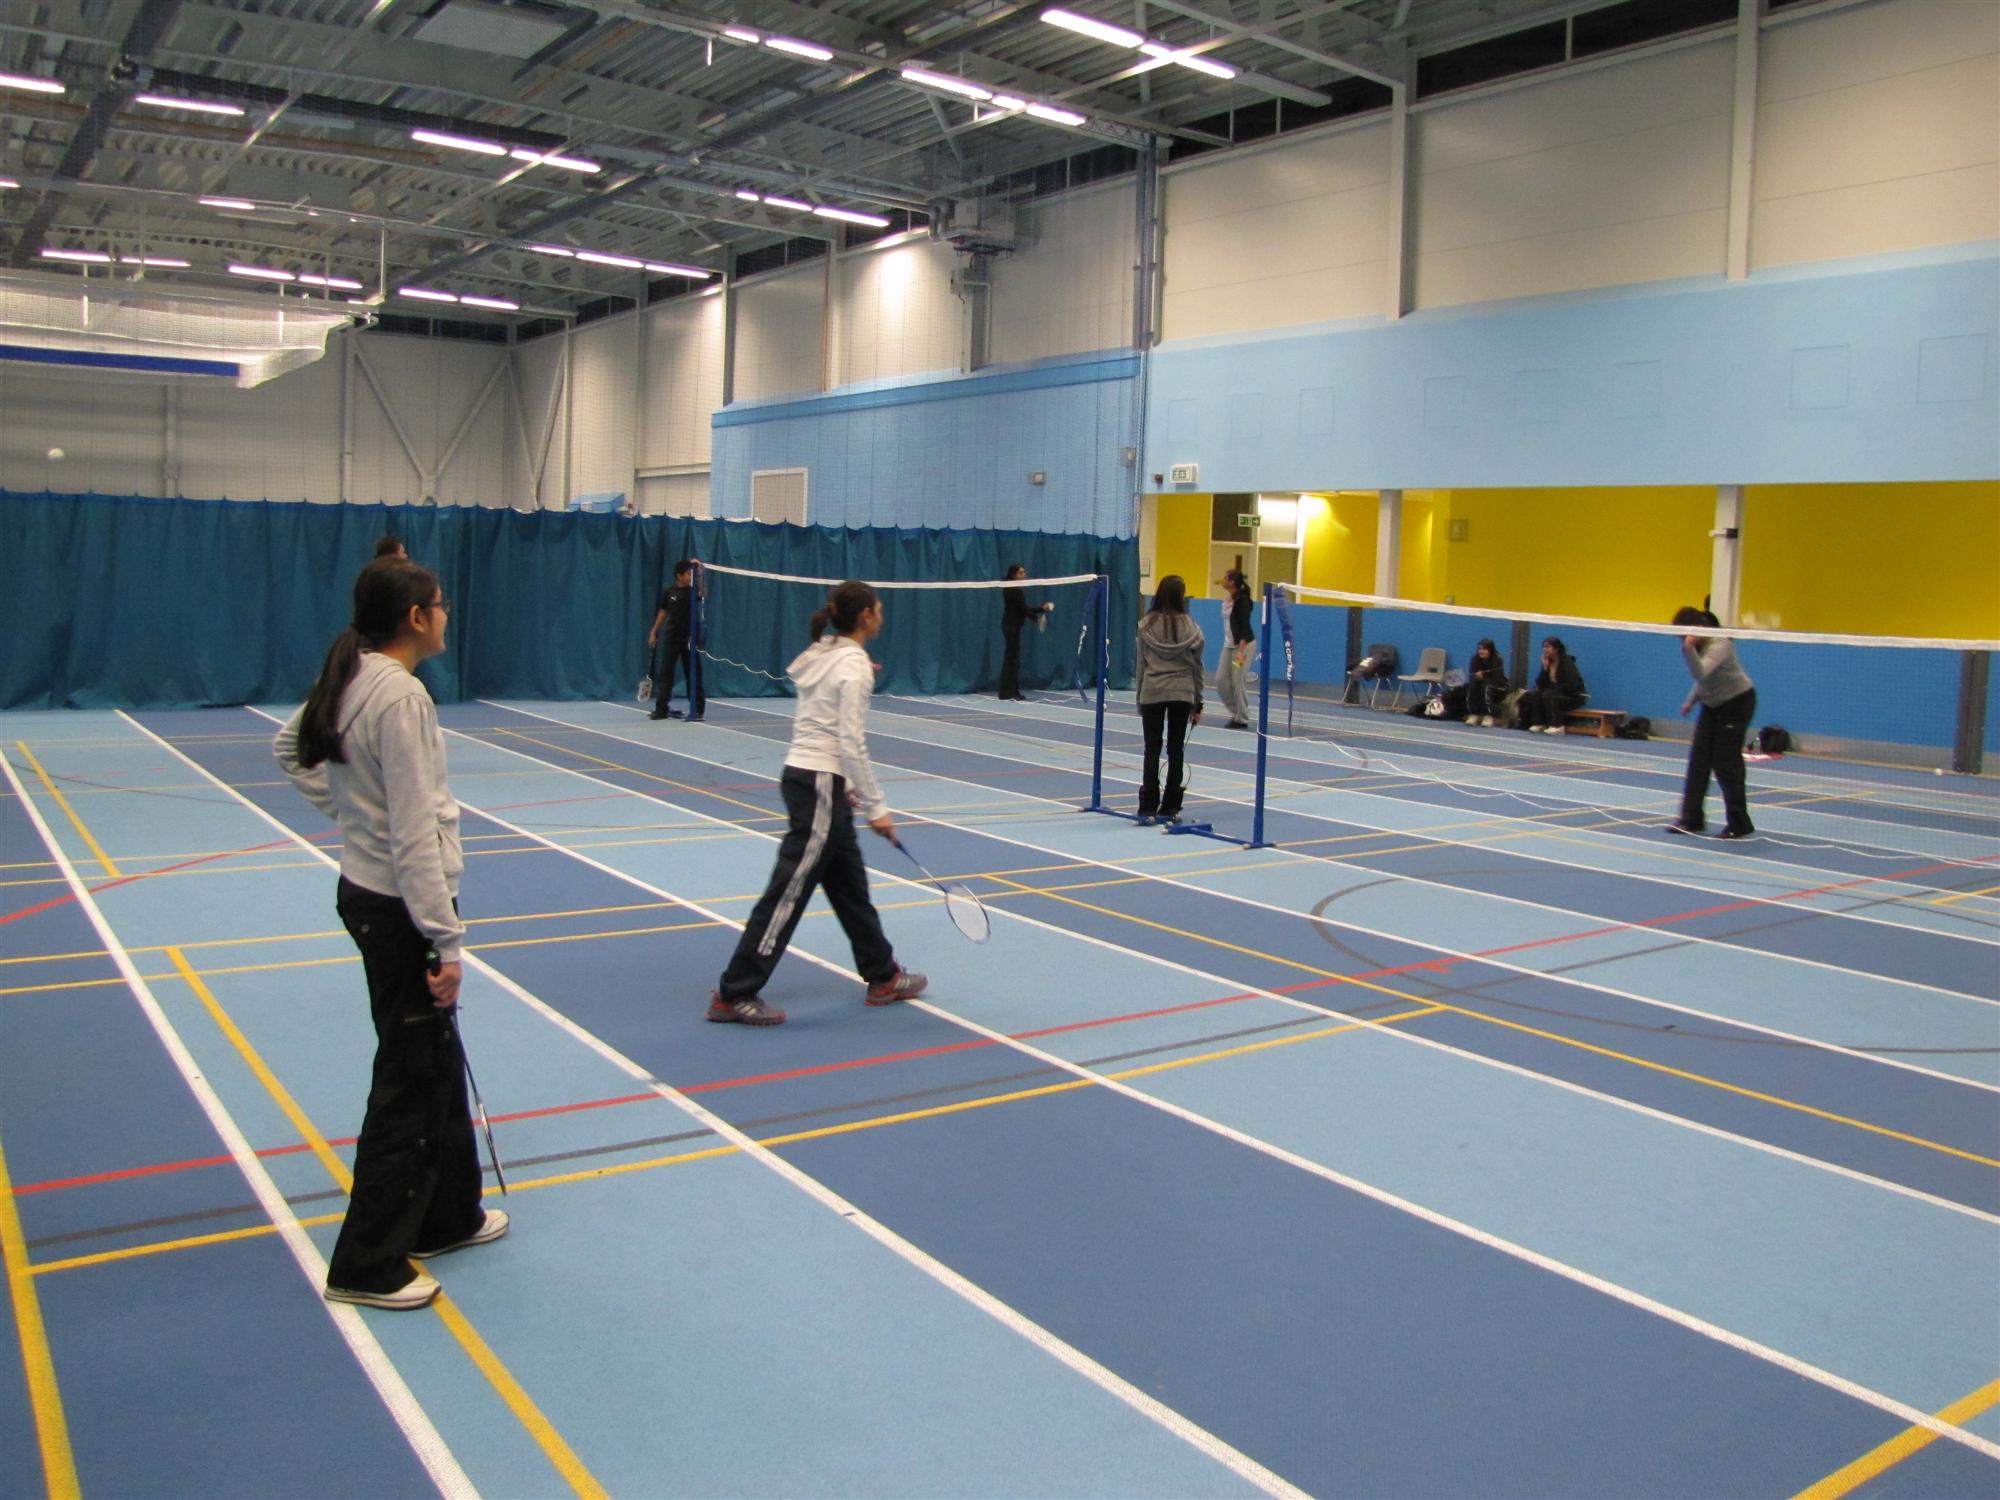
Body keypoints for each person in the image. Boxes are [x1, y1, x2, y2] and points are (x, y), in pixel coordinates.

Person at [273, 559, 504, 1311]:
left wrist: (350, 811)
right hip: (400, 907)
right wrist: (446, 941)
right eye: (440, 604)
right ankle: (365, 1262)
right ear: (415, 617)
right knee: (409, 1078)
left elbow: (290, 750)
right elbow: (411, 830)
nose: (446, 614)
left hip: (373, 895)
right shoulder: (400, 695)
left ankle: (448, 1215)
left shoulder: (352, 676)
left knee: (435, 1058)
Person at [709, 580, 926, 1026]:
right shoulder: (852, 665)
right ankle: (735, 992)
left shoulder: (824, 653)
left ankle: (883, 974)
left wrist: (841, 784)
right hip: (818, 783)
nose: (882, 616)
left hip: (812, 779)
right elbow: (849, 741)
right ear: (866, 616)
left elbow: (818, 723)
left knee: (850, 886)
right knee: (788, 892)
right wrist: (877, 807)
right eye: (879, 609)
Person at [1669, 606, 1757, 839]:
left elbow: (1701, 673)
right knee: (1698, 761)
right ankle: (1691, 820)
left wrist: (1688, 649)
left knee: (1726, 763)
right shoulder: (1697, 645)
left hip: (1737, 702)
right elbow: (1704, 683)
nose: (1682, 640)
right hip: (1712, 704)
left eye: (1683, 635)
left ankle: (1740, 823)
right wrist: (1690, 701)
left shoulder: (1720, 644)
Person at [1135, 575, 1205, 826]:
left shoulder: (1145, 625)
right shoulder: (1193, 627)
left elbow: (1141, 665)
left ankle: (1147, 807)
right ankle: (1171, 805)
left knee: (1151, 749)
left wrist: (1140, 697)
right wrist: (1198, 702)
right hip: (1182, 692)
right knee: (1176, 749)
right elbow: (1197, 668)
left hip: (1153, 690)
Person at [646, 559, 703, 721]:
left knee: (694, 674)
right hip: (671, 638)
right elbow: (663, 611)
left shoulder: (694, 591)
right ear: (679, 576)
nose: (690, 576)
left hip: (689, 639)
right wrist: (654, 631)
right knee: (666, 674)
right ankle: (661, 709)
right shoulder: (669, 592)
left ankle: (697, 710)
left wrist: (698, 570)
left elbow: (703, 592)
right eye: (688, 574)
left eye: (691, 574)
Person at [997, 562, 1054, 701]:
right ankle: (1009, 692)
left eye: (1024, 572)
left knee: (1012, 660)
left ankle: (1008, 692)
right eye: (1021, 573)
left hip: (1013, 626)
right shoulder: (1013, 590)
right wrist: (1037, 619)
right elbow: (1023, 610)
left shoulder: (1013, 588)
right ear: (1013, 574)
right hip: (1011, 627)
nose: (1024, 575)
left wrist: (1041, 609)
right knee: (1012, 660)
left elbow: (1023, 608)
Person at [1515, 636, 1586, 732]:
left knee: (1549, 695)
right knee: (1535, 694)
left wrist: (1552, 688)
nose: (1544, 649)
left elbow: (1572, 686)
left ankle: (1557, 725)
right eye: (1544, 647)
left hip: (1572, 696)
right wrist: (1544, 669)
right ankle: (1539, 723)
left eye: (1547, 647)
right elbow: (1540, 683)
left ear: (1556, 649)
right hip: (1554, 693)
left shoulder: (1567, 663)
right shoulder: (1547, 662)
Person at [1215, 567, 1256, 730]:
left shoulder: (1242, 601)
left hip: (1243, 645)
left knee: (1237, 681)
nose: (1222, 580)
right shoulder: (1228, 600)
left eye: (1225, 578)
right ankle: (1236, 711)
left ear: (1232, 582)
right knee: (1220, 681)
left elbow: (1244, 626)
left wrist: (1240, 651)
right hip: (1229, 644)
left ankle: (1242, 718)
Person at [1465, 638, 1509, 725]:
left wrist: (1483, 678)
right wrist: (1477, 678)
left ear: (1490, 650)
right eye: (1479, 649)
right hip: (1481, 684)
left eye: (1484, 649)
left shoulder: (1498, 660)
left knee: (1486, 687)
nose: (1481, 651)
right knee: (1472, 686)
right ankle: (1474, 714)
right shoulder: (1474, 659)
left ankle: (1488, 715)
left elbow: (1497, 679)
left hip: (1498, 687)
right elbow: (1472, 675)